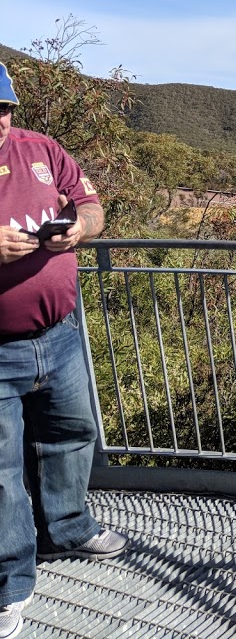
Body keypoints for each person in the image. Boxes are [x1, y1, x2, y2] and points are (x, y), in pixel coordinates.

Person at [0, 61, 128, 639]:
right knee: (0, 472)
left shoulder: (44, 150)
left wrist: (80, 226)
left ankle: (69, 527)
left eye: (3, 109)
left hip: (59, 336)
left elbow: (94, 205)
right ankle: (10, 583)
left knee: (71, 435)